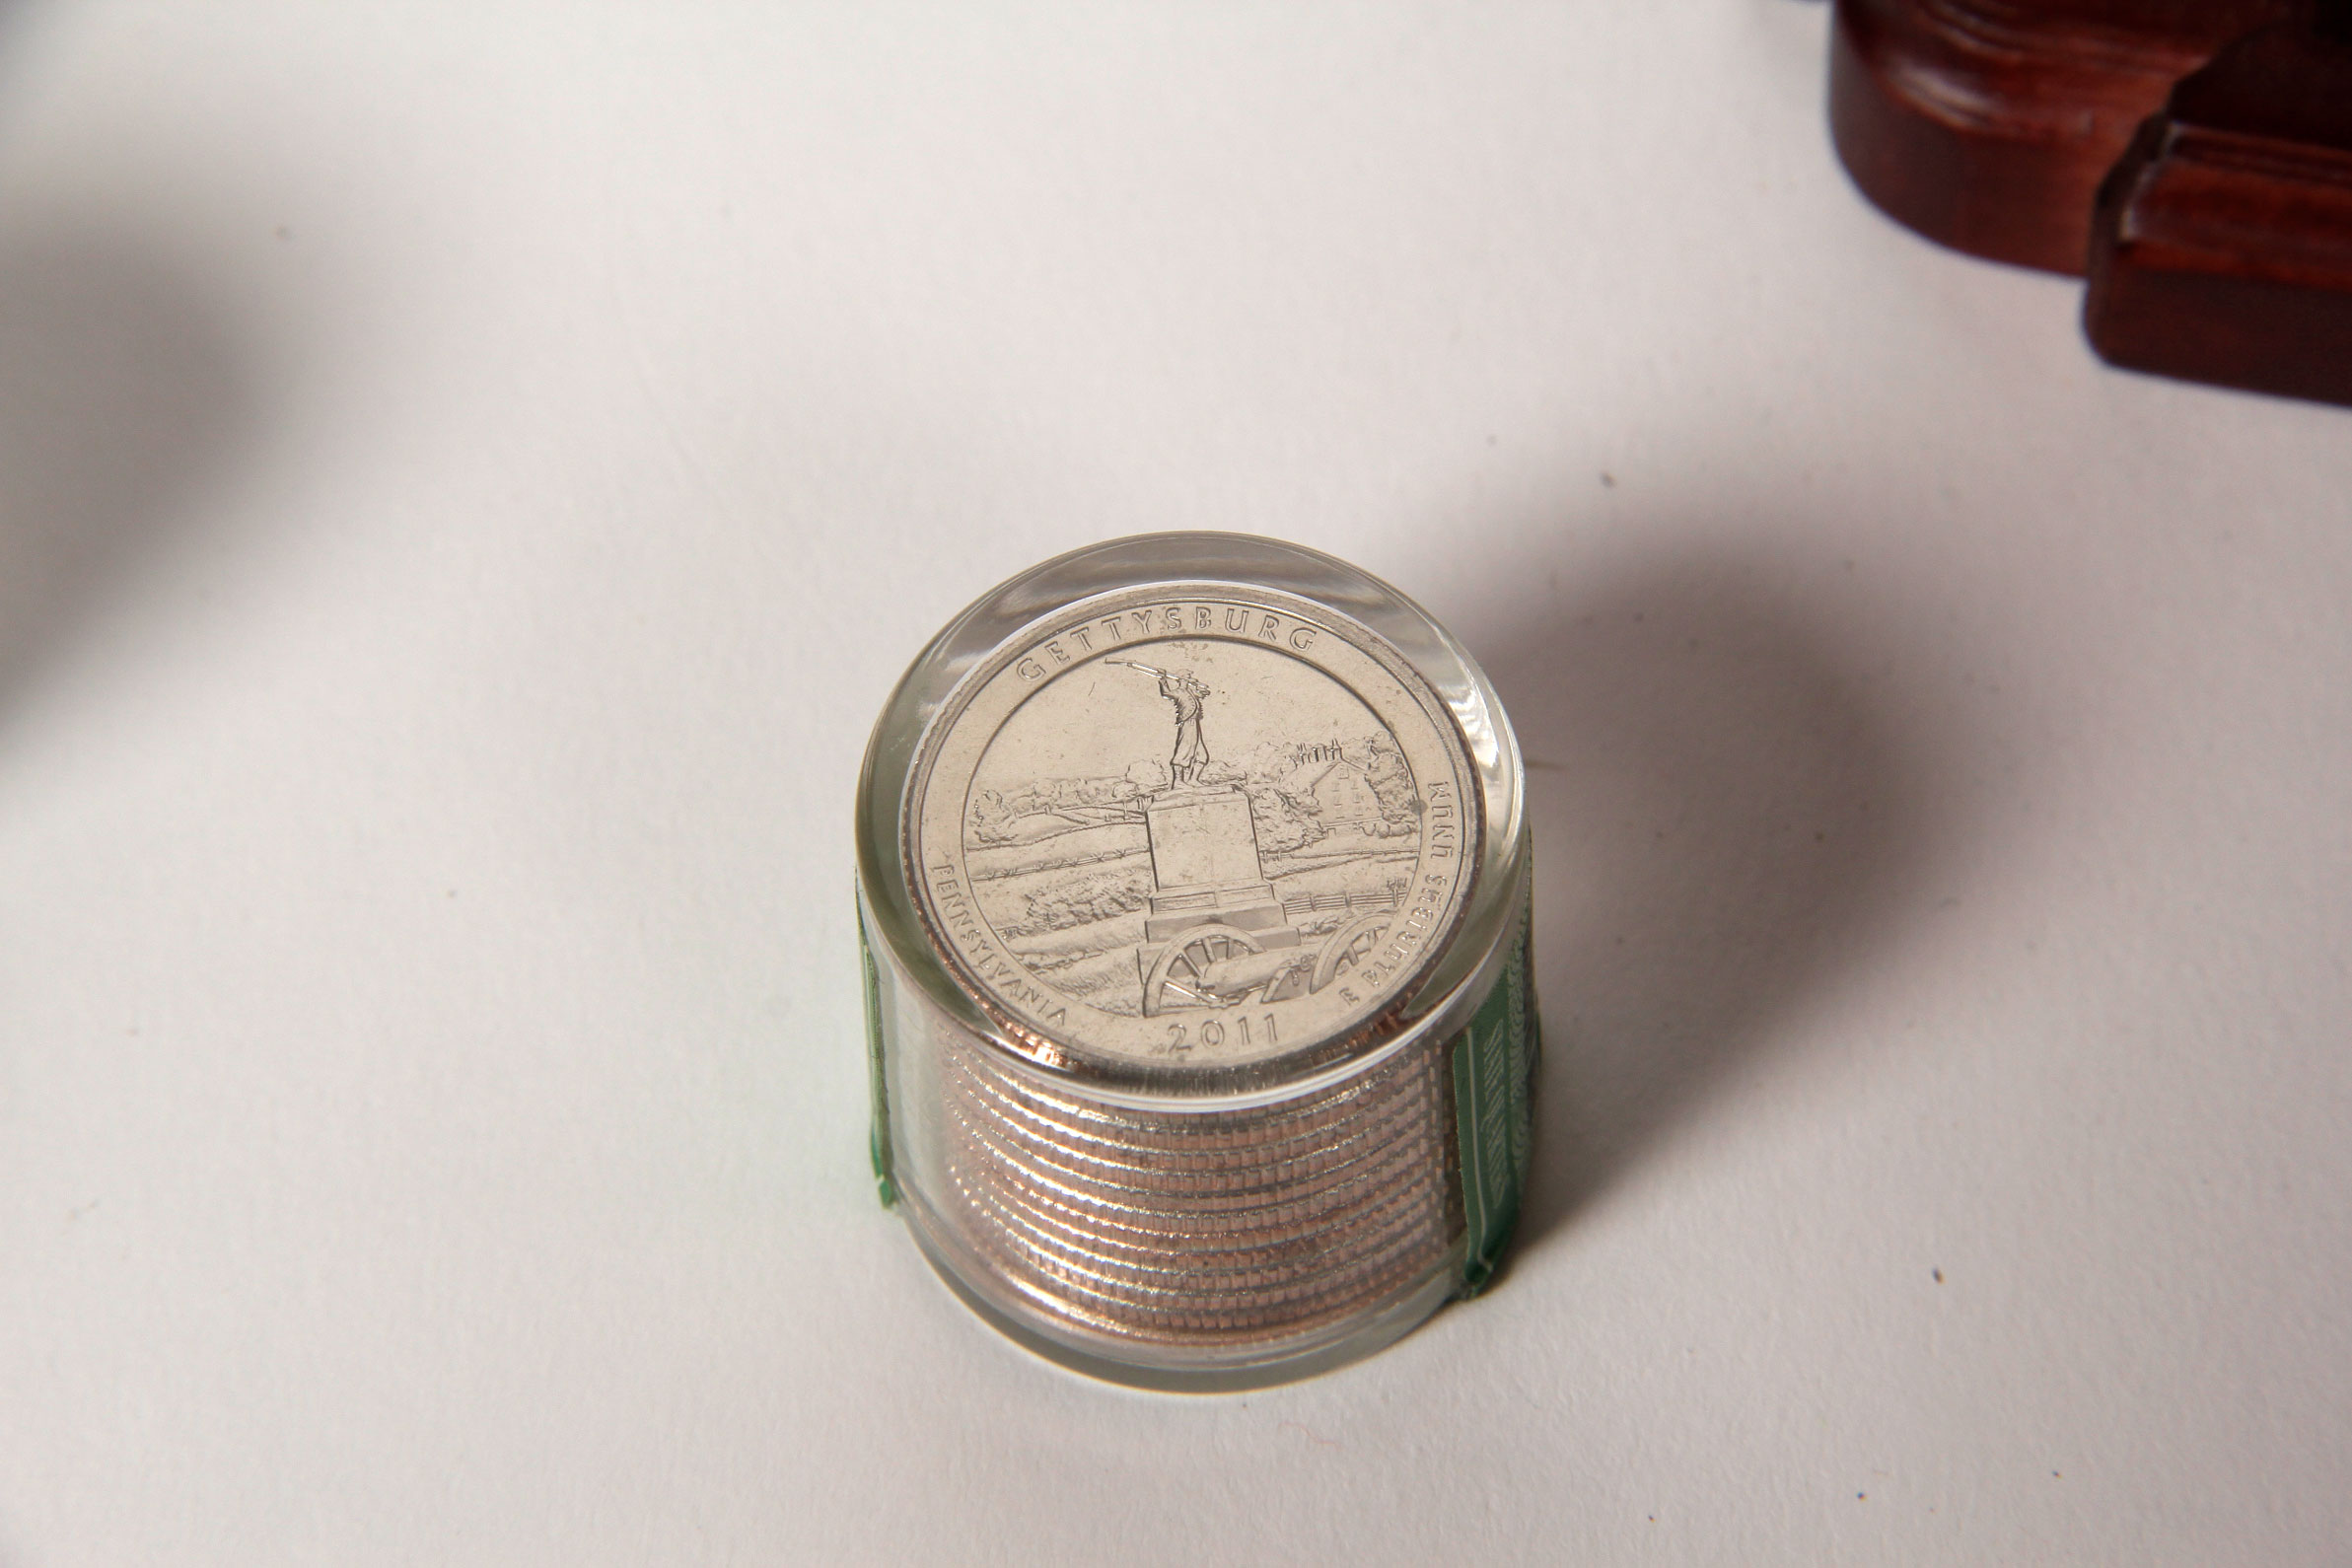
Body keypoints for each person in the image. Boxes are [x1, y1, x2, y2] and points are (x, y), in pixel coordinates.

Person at [1159, 671, 1211, 786]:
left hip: (1195, 723)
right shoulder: (1179, 692)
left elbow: (1205, 693)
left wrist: (1199, 686)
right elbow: (1166, 693)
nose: (1189, 679)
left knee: (1201, 754)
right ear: (1181, 679)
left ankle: (1193, 780)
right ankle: (1178, 781)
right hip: (1187, 723)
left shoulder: (1191, 692)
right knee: (1185, 749)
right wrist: (1162, 680)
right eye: (1187, 677)